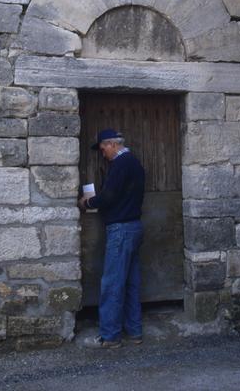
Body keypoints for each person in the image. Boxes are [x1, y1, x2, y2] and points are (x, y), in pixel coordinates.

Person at [79, 128, 145, 349]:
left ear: (113, 144)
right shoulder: (134, 163)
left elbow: (108, 197)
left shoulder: (121, 164)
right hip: (134, 227)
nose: (102, 153)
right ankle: (134, 332)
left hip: (121, 230)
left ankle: (110, 336)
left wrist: (87, 203)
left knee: (112, 284)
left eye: (102, 148)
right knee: (131, 283)